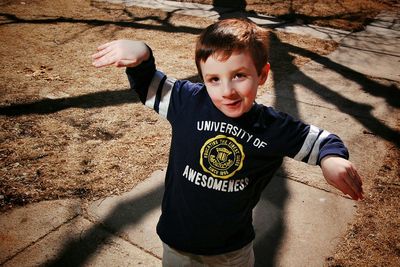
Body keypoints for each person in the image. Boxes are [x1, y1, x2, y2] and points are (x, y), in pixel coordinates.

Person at [92, 18, 363, 267]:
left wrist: (332, 159)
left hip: (231, 252)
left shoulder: (272, 127)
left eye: (239, 75)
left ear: (262, 74)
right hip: (176, 242)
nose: (227, 91)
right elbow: (148, 82)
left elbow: (323, 141)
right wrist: (141, 52)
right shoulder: (188, 102)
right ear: (202, 78)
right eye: (214, 79)